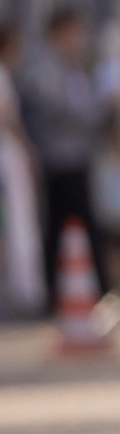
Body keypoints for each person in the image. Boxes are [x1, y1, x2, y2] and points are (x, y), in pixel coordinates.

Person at [16, 6, 114, 307]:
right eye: (74, 32)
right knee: (65, 227)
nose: (80, 39)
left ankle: (89, 288)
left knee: (80, 226)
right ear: (59, 32)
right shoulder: (42, 67)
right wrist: (100, 108)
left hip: (77, 157)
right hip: (59, 161)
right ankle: (65, 292)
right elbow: (62, 110)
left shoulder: (72, 67)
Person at [0, 21, 45, 318]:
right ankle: (18, 293)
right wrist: (29, 151)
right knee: (14, 223)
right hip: (6, 158)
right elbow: (9, 119)